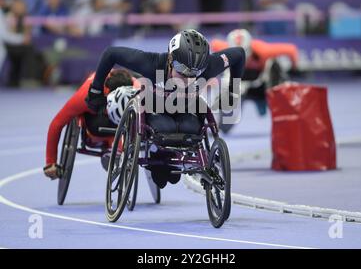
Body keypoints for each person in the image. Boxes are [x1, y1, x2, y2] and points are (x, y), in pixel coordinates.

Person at [85, 29, 245, 188]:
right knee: (162, 159)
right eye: (182, 70)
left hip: (186, 110)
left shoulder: (210, 65)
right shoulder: (151, 63)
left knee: (192, 129)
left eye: (195, 73)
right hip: (157, 111)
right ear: (170, 59)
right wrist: (96, 89)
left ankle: (171, 158)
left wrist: (232, 91)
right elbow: (111, 53)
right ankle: (158, 155)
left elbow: (239, 54)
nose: (187, 78)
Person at [43, 69, 138, 180]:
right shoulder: (85, 96)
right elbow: (56, 123)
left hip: (125, 117)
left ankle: (116, 150)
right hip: (96, 118)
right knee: (98, 127)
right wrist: (50, 162)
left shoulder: (136, 87)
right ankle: (113, 147)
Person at [211, 28, 298, 119]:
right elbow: (212, 46)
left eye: (243, 52)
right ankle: (221, 121)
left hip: (261, 86)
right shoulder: (222, 49)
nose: (240, 57)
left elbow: (292, 50)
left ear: (250, 48)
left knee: (274, 65)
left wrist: (294, 68)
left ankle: (273, 103)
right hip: (239, 86)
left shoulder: (263, 51)